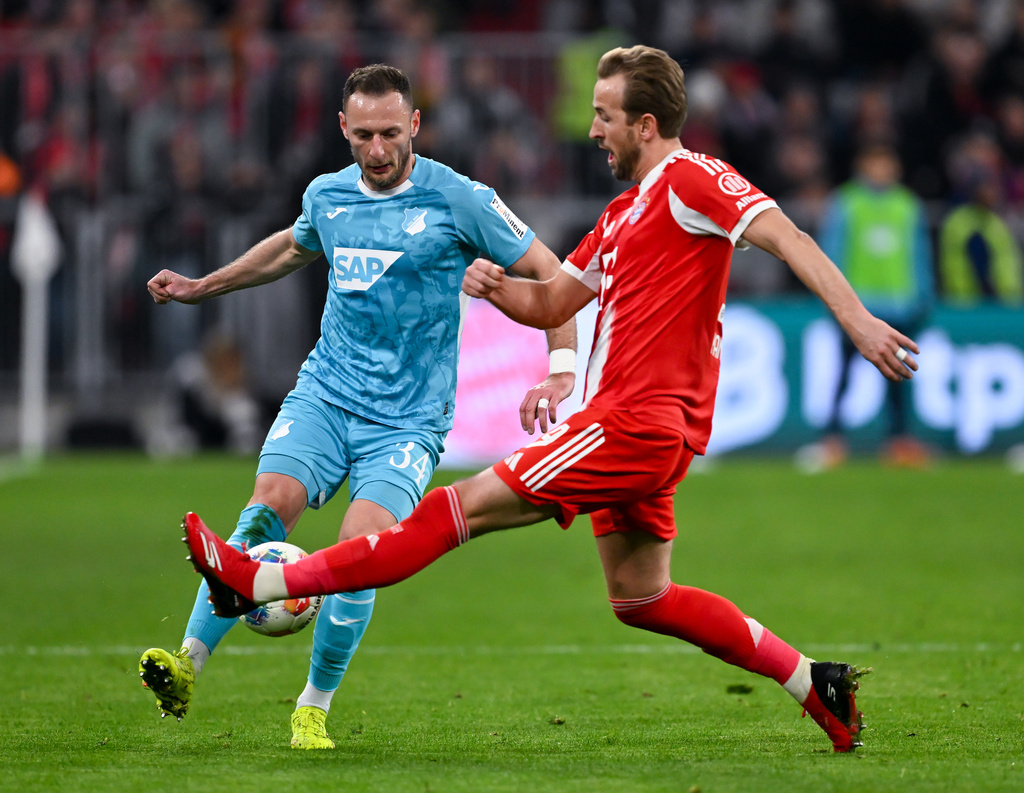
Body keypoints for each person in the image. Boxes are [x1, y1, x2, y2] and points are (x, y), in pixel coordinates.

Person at [178, 46, 921, 753]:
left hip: (632, 423)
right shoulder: (622, 216)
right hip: (648, 436)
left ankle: (258, 579)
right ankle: (815, 683)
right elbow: (554, 299)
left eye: (603, 115)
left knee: (451, 510)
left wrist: (855, 320)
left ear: (646, 125)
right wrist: (498, 289)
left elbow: (785, 232)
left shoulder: (693, 181)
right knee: (642, 597)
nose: (592, 130)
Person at [140, 63, 577, 750]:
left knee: (361, 547)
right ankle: (186, 664)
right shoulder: (328, 195)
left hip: (406, 420)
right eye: (364, 135)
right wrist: (203, 286)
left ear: (416, 127)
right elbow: (289, 247)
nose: (378, 150)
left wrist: (560, 369)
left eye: (392, 135)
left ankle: (312, 706)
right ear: (343, 129)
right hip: (327, 392)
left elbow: (551, 273)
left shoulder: (459, 198)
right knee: (265, 505)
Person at [798, 143, 934, 470]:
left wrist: (923, 298)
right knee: (844, 375)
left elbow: (919, 255)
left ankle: (899, 442)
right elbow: (830, 252)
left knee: (898, 379)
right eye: (875, 162)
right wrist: (835, 302)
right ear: (862, 165)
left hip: (899, 307)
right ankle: (832, 440)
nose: (881, 170)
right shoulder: (847, 203)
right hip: (858, 309)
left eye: (886, 163)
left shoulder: (907, 205)